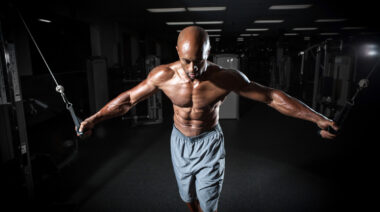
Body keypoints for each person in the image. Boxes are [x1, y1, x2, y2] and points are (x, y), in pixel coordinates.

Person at [77, 26, 338, 212]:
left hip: (209, 142)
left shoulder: (226, 77)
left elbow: (271, 97)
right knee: (187, 195)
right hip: (179, 141)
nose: (193, 69)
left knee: (209, 201)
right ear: (177, 50)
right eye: (187, 61)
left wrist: (317, 118)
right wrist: (94, 120)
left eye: (199, 61)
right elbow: (128, 100)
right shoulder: (163, 75)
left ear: (209, 51)